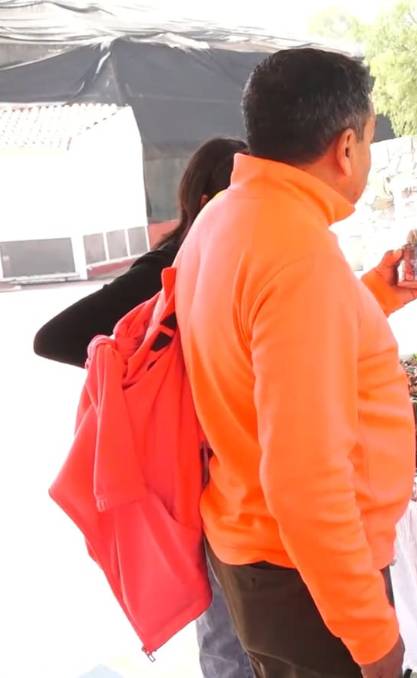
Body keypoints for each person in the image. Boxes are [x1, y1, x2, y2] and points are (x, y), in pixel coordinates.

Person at [174, 48, 417, 678]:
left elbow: (257, 348)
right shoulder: (297, 255)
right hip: (303, 576)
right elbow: (305, 480)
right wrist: (373, 638)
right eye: (369, 141)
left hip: (259, 549)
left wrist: (374, 295)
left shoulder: (223, 217)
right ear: (346, 148)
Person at [33, 137, 255, 678]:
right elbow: (54, 338)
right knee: (226, 629)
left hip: (224, 466)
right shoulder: (169, 269)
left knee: (238, 622)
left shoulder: (231, 262)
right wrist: (134, 373)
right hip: (192, 468)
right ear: (207, 203)